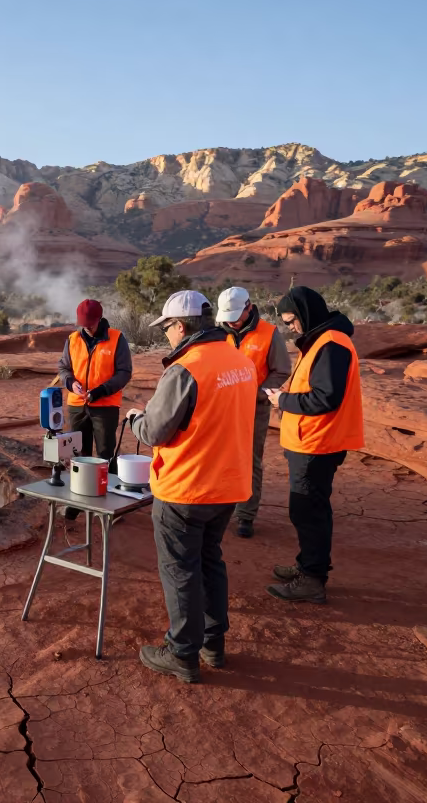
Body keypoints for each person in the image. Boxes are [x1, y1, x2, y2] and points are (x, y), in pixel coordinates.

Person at [127, 291, 257, 683]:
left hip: (186, 487)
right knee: (209, 562)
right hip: (229, 485)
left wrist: (136, 418)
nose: (167, 335)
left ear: (180, 326)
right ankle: (213, 645)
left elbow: (154, 431)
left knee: (181, 570)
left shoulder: (186, 369)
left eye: (166, 327)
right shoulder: (241, 361)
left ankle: (182, 654)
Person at [264, 286, 364, 605]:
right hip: (311, 440)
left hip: (319, 443)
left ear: (307, 313)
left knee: (308, 511)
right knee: (308, 509)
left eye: (292, 320)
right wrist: (289, 390)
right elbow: (316, 387)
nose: (291, 327)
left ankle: (312, 578)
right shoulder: (322, 340)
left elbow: (325, 397)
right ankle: (307, 565)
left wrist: (285, 400)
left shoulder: (332, 344)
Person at [216, 287, 293, 539]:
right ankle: (218, 509)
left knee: (249, 461)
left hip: (253, 409)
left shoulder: (269, 333)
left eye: (236, 315)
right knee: (218, 457)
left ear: (249, 307)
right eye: (227, 316)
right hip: (220, 408)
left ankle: (245, 515)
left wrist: (257, 393)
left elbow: (281, 370)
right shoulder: (217, 333)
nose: (232, 321)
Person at [57, 299, 132, 463]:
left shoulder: (117, 338)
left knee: (105, 455)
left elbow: (124, 372)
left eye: (90, 323)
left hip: (105, 407)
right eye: (83, 324)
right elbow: (63, 368)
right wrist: (70, 383)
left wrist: (100, 391)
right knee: (77, 454)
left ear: (100, 318)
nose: (86, 327)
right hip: (77, 406)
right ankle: (80, 488)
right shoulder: (73, 339)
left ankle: (107, 487)